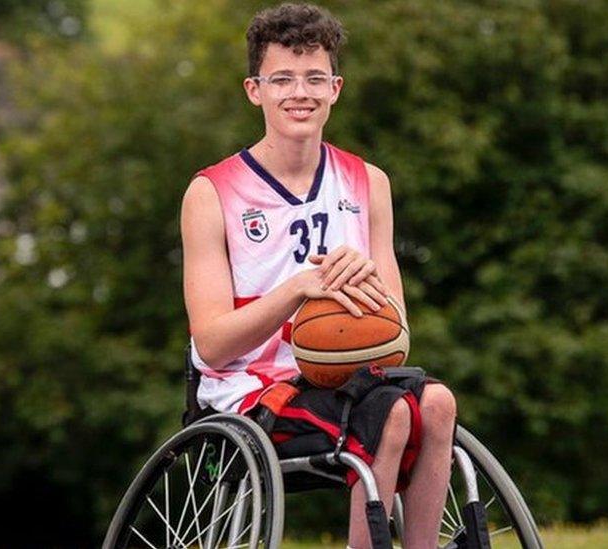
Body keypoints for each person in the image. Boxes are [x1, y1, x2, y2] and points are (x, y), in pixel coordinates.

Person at [179, 3, 456, 547]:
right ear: (254, 89)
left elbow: (396, 331)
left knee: (439, 402)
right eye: (281, 78)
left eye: (314, 78)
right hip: (255, 391)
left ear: (336, 88)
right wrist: (298, 289)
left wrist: (368, 290)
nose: (298, 93)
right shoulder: (211, 193)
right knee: (394, 413)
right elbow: (211, 346)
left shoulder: (368, 181)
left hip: (345, 375)